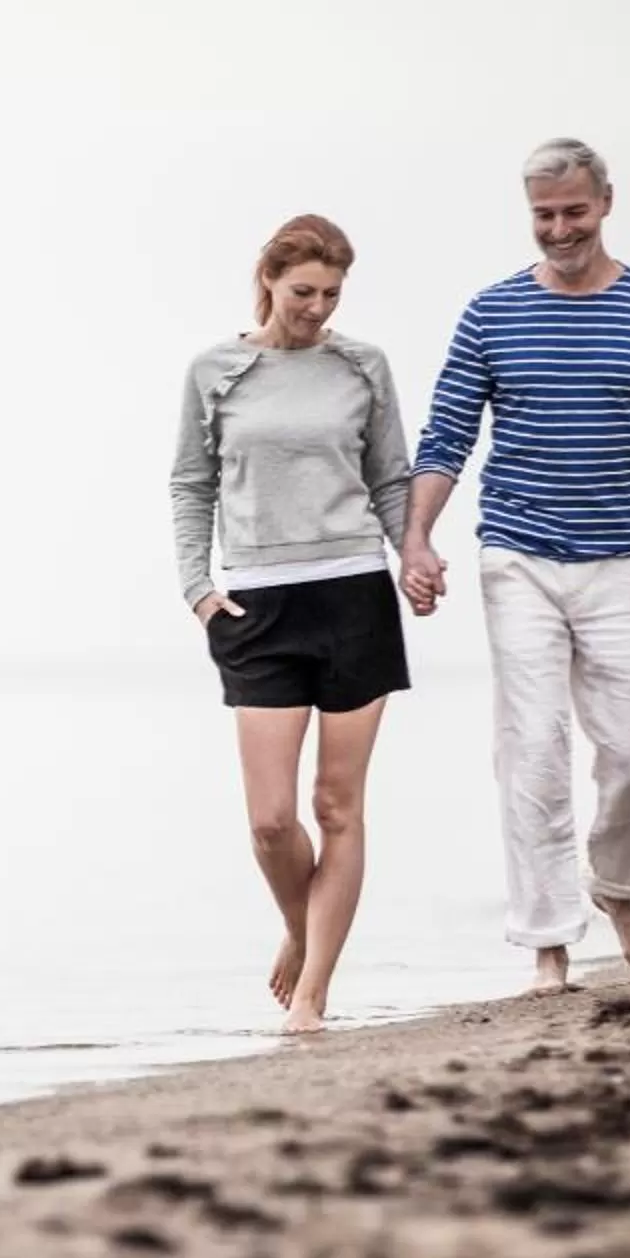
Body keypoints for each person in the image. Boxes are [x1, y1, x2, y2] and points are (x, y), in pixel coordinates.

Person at [398, 138, 630, 995]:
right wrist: (419, 538)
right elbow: (446, 439)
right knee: (533, 750)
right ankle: (548, 942)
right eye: (543, 215)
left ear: (606, 204)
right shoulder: (490, 314)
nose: (558, 229)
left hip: (624, 562)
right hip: (519, 559)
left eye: (573, 212)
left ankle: (618, 889)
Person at [170, 214, 416, 1035]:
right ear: (269, 280)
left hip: (354, 594)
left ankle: (312, 993)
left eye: (331, 295)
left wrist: (412, 553)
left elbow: (390, 478)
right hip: (257, 605)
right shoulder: (216, 370)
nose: (316, 308)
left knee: (338, 806)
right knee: (272, 820)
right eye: (302, 291)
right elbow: (190, 484)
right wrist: (197, 588)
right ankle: (299, 926)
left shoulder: (363, 367)